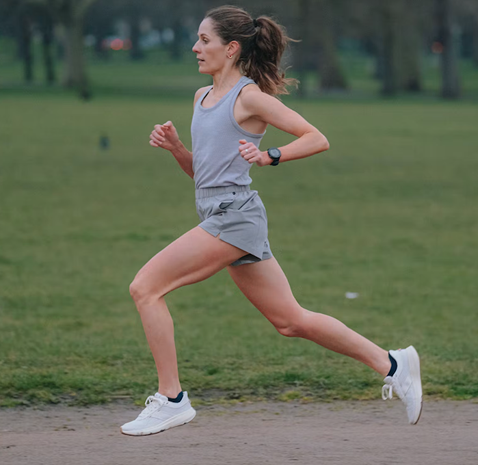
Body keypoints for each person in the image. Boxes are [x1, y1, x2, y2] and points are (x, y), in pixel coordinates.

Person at [120, 5, 422, 436]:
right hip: (222, 212)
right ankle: (393, 363)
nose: (196, 47)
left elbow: (316, 138)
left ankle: (172, 399)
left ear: (232, 48)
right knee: (290, 321)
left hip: (234, 219)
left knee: (145, 287)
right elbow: (203, 177)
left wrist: (269, 155)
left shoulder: (249, 97)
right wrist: (176, 149)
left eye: (204, 40)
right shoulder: (202, 98)